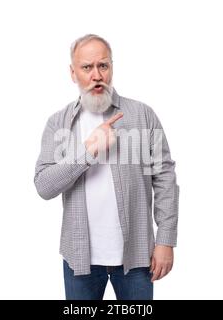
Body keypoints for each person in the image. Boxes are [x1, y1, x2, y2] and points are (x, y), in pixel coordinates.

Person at [34, 34, 179, 300]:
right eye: (86, 67)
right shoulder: (58, 124)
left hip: (136, 256)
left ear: (112, 67)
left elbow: (165, 177)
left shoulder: (143, 115)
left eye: (103, 65)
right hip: (80, 260)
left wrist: (166, 240)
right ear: (73, 72)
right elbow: (44, 186)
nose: (96, 75)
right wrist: (88, 151)